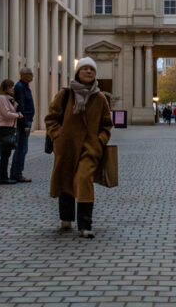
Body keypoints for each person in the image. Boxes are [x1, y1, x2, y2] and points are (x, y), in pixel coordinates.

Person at [45, 56, 113, 238]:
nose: (89, 72)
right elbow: (51, 118)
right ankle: (66, 219)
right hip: (66, 147)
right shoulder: (65, 94)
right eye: (85, 69)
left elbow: (107, 124)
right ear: (78, 72)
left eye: (92, 69)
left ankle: (85, 225)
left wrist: (101, 139)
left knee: (84, 180)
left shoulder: (99, 98)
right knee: (66, 181)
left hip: (90, 148)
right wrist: (57, 136)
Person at [10, 66, 35, 184]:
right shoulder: (20, 87)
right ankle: (16, 173)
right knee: (21, 148)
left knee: (22, 148)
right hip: (24, 121)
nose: (32, 76)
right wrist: (24, 123)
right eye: (30, 74)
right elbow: (21, 106)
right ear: (24, 75)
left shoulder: (24, 86)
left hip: (26, 119)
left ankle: (16, 173)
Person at [0, 79, 22, 185]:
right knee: (5, 154)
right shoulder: (2, 98)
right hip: (4, 128)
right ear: (6, 88)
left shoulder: (7, 98)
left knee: (6, 154)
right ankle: (3, 178)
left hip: (9, 127)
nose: (13, 89)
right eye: (11, 87)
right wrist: (17, 115)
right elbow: (6, 113)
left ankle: (4, 177)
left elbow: (10, 110)